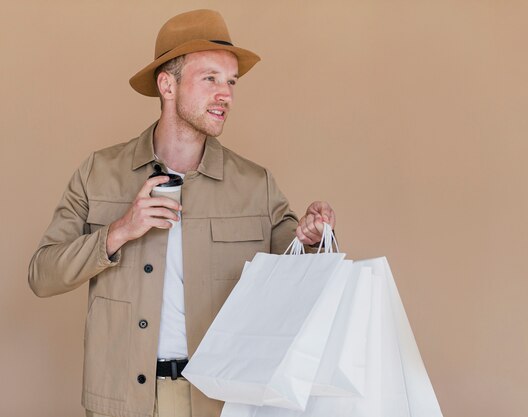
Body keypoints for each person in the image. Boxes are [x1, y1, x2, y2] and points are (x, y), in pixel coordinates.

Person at [28, 9, 336, 417]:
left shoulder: (255, 185)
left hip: (220, 401)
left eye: (230, 82)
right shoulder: (97, 172)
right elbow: (42, 275)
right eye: (210, 78)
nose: (225, 93)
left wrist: (313, 240)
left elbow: (299, 280)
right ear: (167, 85)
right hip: (120, 403)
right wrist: (119, 231)